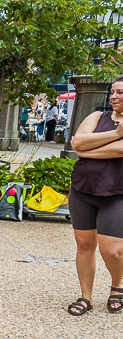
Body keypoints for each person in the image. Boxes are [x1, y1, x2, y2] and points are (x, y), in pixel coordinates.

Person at [68, 75, 123, 316]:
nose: (114, 96)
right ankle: (86, 297)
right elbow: (78, 141)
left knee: (111, 250)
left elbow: (120, 150)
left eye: (120, 92)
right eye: (113, 92)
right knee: (84, 245)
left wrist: (87, 152)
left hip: (116, 194)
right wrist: (115, 133)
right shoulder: (96, 117)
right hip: (82, 190)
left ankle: (117, 286)